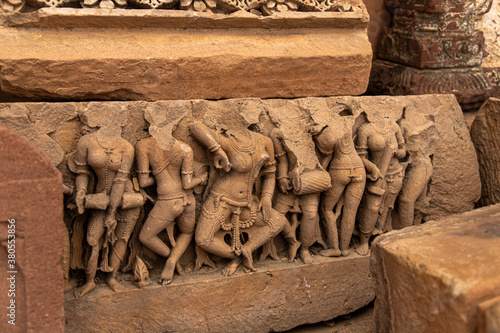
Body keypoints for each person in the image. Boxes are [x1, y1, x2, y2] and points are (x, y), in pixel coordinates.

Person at [189, 119, 287, 276]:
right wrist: (217, 150)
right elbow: (195, 127)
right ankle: (238, 257)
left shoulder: (264, 141)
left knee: (278, 221)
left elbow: (270, 174)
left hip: (247, 203)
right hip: (221, 199)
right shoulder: (226, 139)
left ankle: (247, 249)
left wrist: (267, 196)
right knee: (203, 238)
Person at [73, 106, 141, 298]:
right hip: (100, 197)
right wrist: (81, 191)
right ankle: (89, 281)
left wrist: (111, 213)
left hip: (125, 199)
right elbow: (82, 172)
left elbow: (121, 179)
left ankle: (111, 277)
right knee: (92, 239)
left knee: (121, 238)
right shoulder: (86, 142)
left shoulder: (126, 147)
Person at [135, 109, 207, 285]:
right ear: (173, 125)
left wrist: (159, 179)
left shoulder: (143, 146)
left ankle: (169, 257)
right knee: (187, 232)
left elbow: (143, 182)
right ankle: (174, 260)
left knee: (145, 237)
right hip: (188, 200)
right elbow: (187, 184)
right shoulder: (184, 149)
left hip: (167, 200)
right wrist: (202, 178)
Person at [355, 112, 406, 256]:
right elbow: (360, 157)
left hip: (395, 173)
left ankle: (380, 234)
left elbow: (404, 150)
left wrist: (396, 152)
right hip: (376, 175)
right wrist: (372, 168)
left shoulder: (394, 126)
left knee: (388, 206)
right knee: (372, 207)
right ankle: (364, 240)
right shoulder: (365, 129)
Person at [314, 123, 366, 257]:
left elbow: (325, 153)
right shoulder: (344, 125)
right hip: (359, 168)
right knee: (350, 211)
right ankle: (345, 248)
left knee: (327, 209)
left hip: (340, 168)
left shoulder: (325, 132)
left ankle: (334, 248)